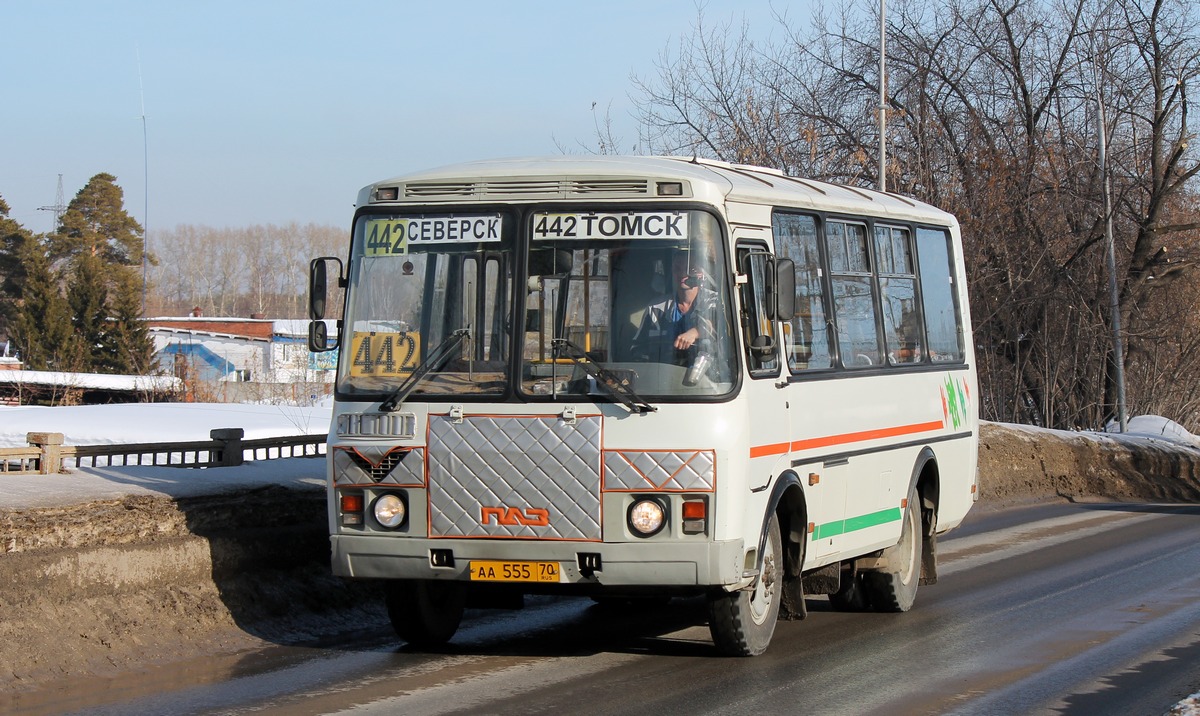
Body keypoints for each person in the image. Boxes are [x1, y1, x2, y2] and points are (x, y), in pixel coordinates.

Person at [629, 251, 717, 365]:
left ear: (701, 274)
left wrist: (695, 332)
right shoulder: (656, 307)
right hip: (664, 375)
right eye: (677, 269)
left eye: (689, 269)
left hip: (705, 378)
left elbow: (718, 322)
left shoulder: (714, 300)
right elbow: (637, 348)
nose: (682, 274)